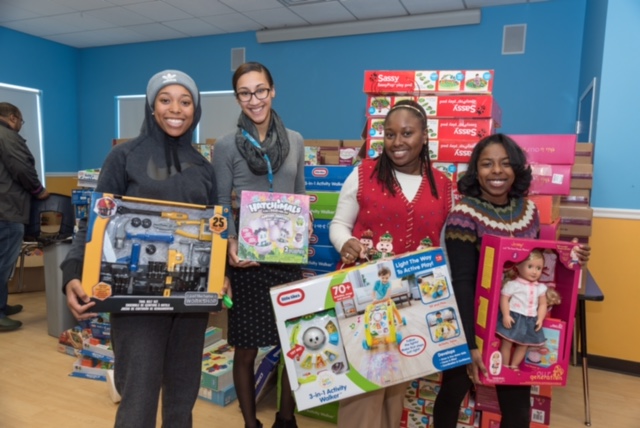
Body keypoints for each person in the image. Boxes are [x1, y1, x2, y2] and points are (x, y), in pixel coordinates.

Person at [61, 70, 220, 427]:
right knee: (138, 397)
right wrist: (72, 271)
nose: (175, 109)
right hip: (135, 302)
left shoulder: (205, 169)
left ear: (196, 109)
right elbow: (94, 222)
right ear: (151, 106)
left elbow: (215, 234)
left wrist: (220, 275)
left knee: (182, 397)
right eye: (165, 100)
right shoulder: (124, 157)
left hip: (190, 303)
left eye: (185, 100)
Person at [432, 133, 590, 428]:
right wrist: (470, 345)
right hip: (471, 323)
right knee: (453, 393)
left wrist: (573, 258)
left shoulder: (528, 212)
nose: (496, 171)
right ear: (475, 171)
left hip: (514, 325)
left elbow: (537, 264)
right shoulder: (463, 214)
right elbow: (462, 282)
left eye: (505, 163)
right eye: (487, 164)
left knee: (517, 411)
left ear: (517, 168)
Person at [329, 99, 452, 428]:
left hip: (413, 303)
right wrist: (347, 243)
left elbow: (444, 246)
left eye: (407, 133)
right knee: (362, 390)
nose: (397, 142)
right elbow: (338, 224)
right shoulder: (362, 174)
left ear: (425, 136)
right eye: (390, 134)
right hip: (364, 298)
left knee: (396, 387)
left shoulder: (445, 186)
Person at [212, 61, 306, 428]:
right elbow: (220, 204)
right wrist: (231, 243)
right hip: (247, 263)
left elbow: (299, 194)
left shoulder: (295, 140)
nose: (254, 100)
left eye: (260, 90)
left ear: (273, 90)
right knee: (246, 347)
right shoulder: (225, 146)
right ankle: (251, 423)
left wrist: (304, 221)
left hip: (286, 260)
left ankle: (286, 418)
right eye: (245, 93)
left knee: (291, 345)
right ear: (237, 98)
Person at [0, 102, 49, 332]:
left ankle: (2, 305)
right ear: (12, 117)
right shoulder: (7, 136)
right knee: (3, 264)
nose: (20, 125)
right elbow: (22, 168)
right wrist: (39, 190)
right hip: (6, 210)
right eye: (21, 120)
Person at [496, 249, 547, 370]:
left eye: (539, 268)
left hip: (530, 320)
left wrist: (540, 318)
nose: (535, 272)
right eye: (530, 266)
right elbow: (504, 300)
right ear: (518, 265)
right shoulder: (513, 284)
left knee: (523, 345)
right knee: (506, 343)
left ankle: (514, 366)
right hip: (514, 317)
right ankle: (504, 366)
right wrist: (506, 315)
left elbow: (543, 304)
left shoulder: (540, 288)